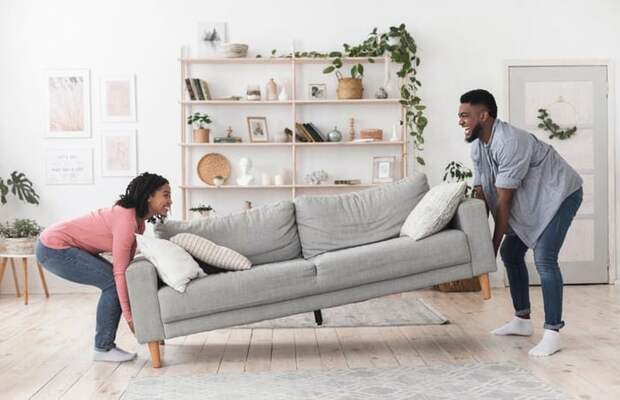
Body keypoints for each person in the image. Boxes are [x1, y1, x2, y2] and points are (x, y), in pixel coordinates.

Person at [459, 89, 583, 357]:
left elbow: (504, 203)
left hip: (560, 194)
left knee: (544, 257)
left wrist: (490, 249)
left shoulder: (510, 141)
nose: (460, 121)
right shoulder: (478, 147)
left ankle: (552, 332)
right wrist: (481, 244)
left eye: (465, 115)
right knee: (511, 253)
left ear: (484, 115)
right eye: (459, 116)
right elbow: (482, 195)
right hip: (534, 200)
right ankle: (522, 320)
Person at [35, 172, 172, 362]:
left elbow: (127, 267)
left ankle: (104, 346)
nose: (170, 201)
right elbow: (120, 273)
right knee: (112, 283)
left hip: (61, 245)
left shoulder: (137, 222)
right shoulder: (127, 220)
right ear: (149, 195)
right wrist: (130, 318)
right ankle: (103, 347)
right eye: (165, 195)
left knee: (114, 282)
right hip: (53, 248)